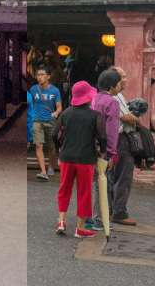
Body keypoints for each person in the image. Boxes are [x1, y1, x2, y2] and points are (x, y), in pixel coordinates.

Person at [52, 81, 106, 239]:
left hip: (66, 157)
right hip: (85, 159)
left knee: (64, 189)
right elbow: (102, 137)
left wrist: (58, 151)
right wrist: (103, 153)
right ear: (88, 98)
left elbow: (54, 134)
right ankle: (80, 228)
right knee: (84, 192)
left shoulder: (66, 113)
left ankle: (61, 221)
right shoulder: (95, 115)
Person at [88, 69, 121, 231]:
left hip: (88, 146)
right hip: (103, 149)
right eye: (119, 83)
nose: (120, 86)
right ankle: (98, 218)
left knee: (90, 182)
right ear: (112, 86)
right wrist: (112, 154)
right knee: (101, 183)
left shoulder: (92, 98)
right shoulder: (112, 103)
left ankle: (88, 216)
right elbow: (112, 130)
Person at [109, 66, 139, 226]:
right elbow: (126, 117)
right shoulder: (113, 97)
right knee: (122, 177)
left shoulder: (118, 95)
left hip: (117, 139)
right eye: (123, 77)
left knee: (114, 176)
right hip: (120, 139)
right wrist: (136, 118)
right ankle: (119, 212)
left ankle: (112, 209)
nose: (126, 80)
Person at [29, 66, 63, 181]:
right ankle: (43, 172)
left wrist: (56, 113)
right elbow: (30, 104)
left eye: (43, 75)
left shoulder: (55, 90)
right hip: (36, 120)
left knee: (51, 146)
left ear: (48, 76)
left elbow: (59, 107)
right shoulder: (33, 89)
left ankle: (51, 166)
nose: (40, 77)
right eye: (38, 75)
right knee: (38, 145)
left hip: (50, 120)